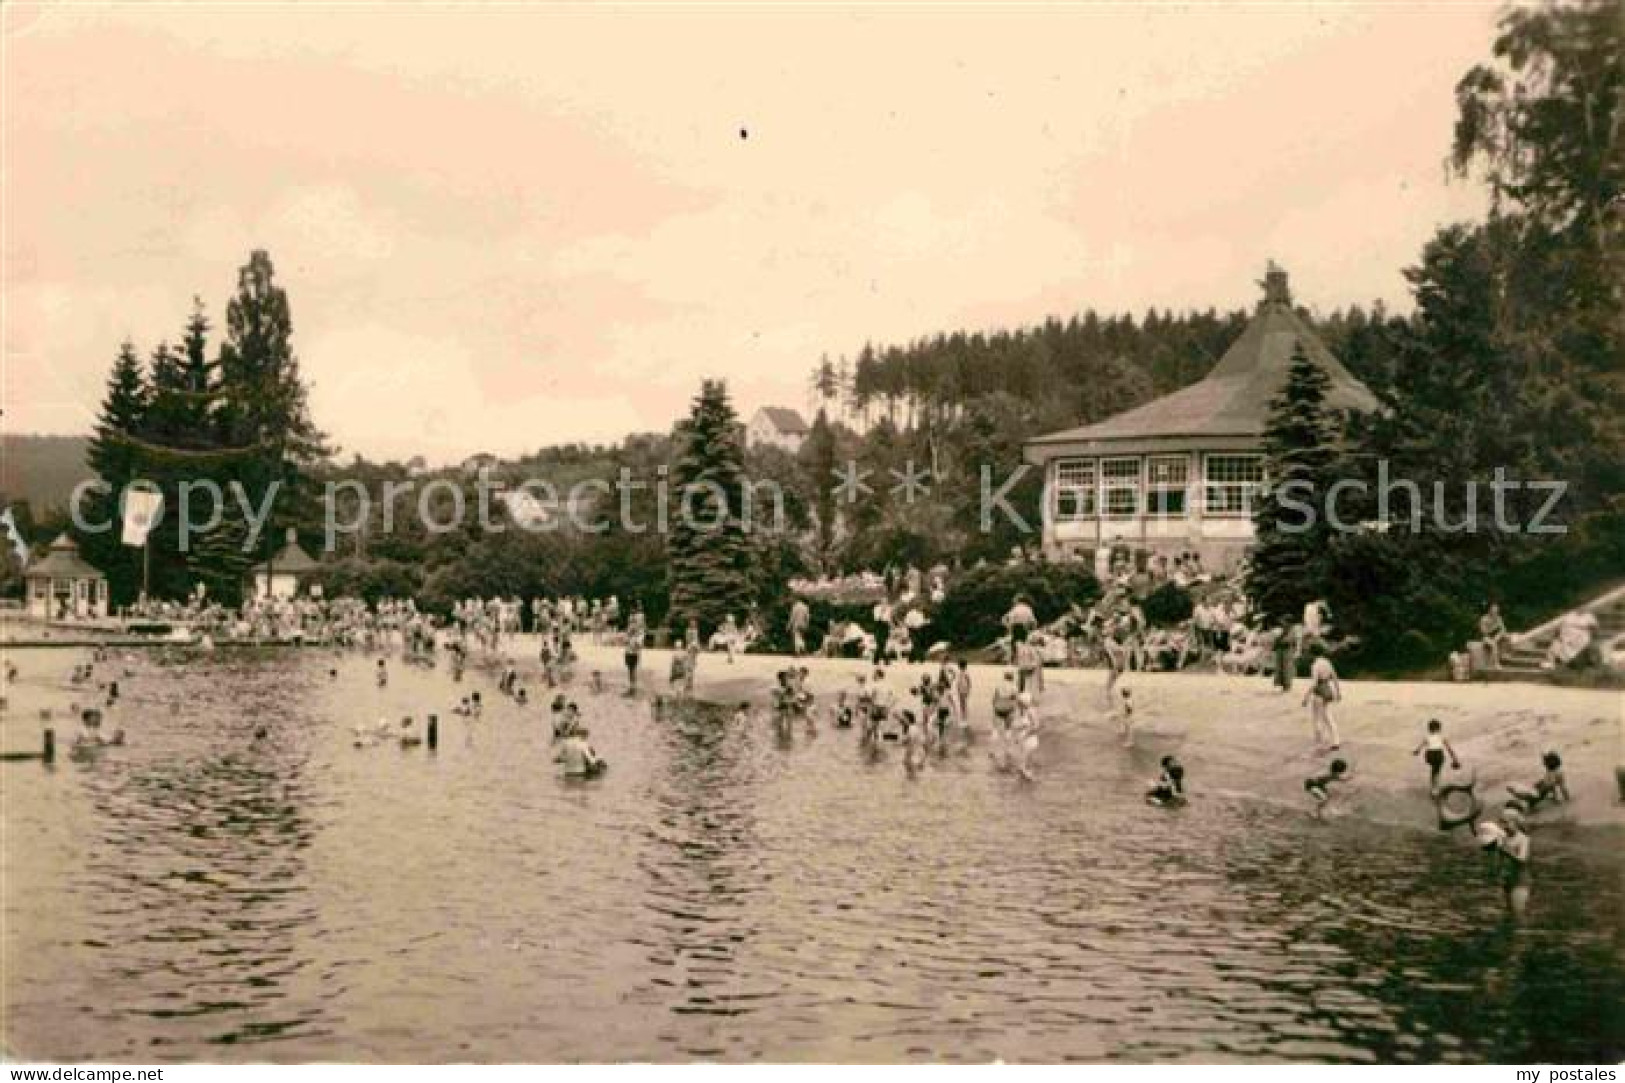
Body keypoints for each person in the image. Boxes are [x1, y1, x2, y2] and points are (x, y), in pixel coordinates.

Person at [1494, 806, 1531, 918]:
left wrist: (1509, 852)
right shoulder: (1502, 838)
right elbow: (1499, 861)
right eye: (1501, 822)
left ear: (1515, 822)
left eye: (1505, 822)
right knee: (1505, 916)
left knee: (1518, 915)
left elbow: (1522, 859)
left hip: (1520, 882)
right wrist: (1498, 875)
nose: (1502, 826)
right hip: (1506, 881)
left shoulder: (1523, 839)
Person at [1303, 645, 1341, 750]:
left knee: (1316, 718)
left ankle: (1319, 740)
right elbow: (1335, 677)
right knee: (1328, 716)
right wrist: (1338, 692)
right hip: (1328, 690)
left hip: (1319, 692)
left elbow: (1314, 683)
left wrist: (1306, 697)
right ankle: (1335, 739)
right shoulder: (1327, 662)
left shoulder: (1315, 665)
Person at [1412, 719, 1461, 795]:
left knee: (1434, 770)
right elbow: (1449, 748)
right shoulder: (1441, 737)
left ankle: (1434, 787)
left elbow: (1420, 747)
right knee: (1437, 771)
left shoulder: (1427, 737)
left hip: (1429, 755)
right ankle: (1435, 788)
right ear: (1438, 728)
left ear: (1429, 728)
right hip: (1438, 754)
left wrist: (1416, 751)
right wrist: (1454, 758)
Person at [1478, 603, 1510, 669]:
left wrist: (1498, 636)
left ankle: (1504, 654)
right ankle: (1496, 663)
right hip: (1487, 637)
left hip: (1496, 636)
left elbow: (1503, 629)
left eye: (1496, 610)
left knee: (1507, 636)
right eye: (1494, 609)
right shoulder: (1484, 619)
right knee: (1493, 645)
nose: (1495, 611)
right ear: (1490, 610)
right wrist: (1493, 630)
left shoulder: (1498, 618)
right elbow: (1484, 632)